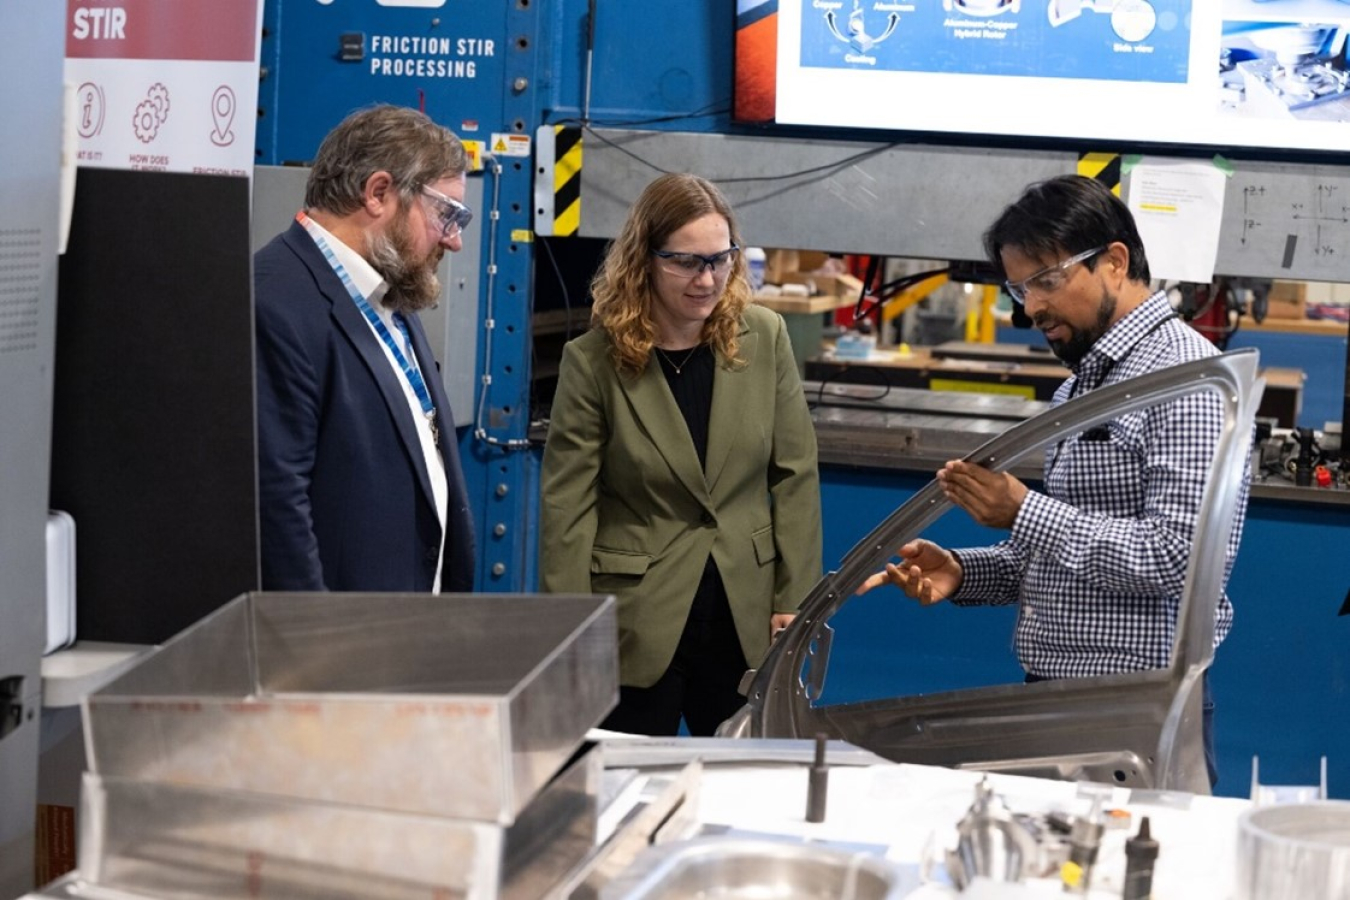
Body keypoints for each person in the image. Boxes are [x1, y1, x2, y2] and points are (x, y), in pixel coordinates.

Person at [859, 174, 1249, 786]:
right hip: (1059, 697)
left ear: (1114, 262)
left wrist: (1022, 511)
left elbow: (1179, 560)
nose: (1030, 307)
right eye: (1020, 287)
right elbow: (1057, 555)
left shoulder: (1186, 380)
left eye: (1046, 280)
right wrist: (965, 572)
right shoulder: (1083, 384)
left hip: (1133, 706)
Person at [540, 173, 823, 736]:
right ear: (643, 259)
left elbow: (795, 474)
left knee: (747, 793)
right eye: (687, 262)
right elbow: (566, 507)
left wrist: (796, 598)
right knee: (623, 788)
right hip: (636, 621)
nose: (708, 279)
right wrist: (572, 633)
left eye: (721, 259)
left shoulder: (763, 336)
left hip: (746, 613)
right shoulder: (594, 361)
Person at [255, 104, 476, 593]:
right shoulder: (275, 303)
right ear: (378, 193)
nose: (455, 241)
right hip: (341, 647)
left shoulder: (389, 296)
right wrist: (315, 648)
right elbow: (276, 502)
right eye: (446, 213)